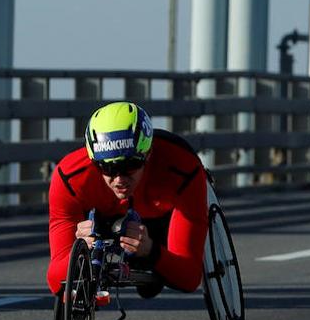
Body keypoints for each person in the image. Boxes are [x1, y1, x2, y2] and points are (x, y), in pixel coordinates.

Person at [47, 102, 208, 299]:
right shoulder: (69, 177)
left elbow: (189, 277)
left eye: (130, 165)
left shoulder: (184, 169)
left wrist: (151, 251)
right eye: (108, 168)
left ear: (148, 154)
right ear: (94, 161)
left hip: (159, 219)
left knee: (151, 287)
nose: (120, 179)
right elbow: (55, 281)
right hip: (103, 216)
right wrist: (79, 252)